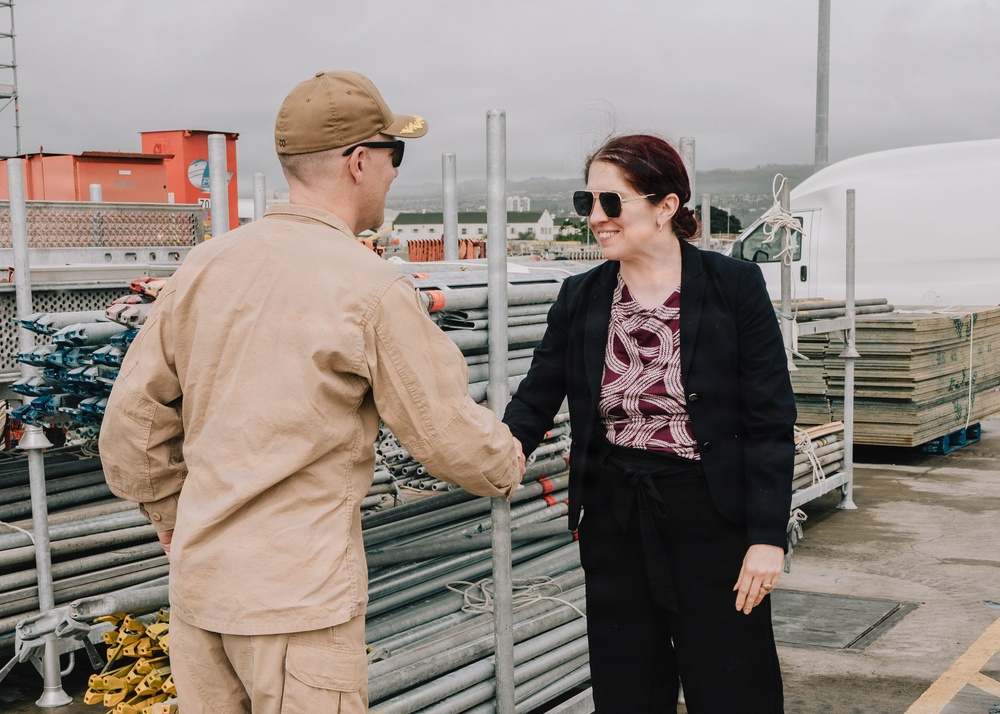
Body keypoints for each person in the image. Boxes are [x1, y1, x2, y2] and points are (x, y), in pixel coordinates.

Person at [100, 70, 525, 714]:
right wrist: (508, 462)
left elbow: (132, 421)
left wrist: (169, 515)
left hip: (200, 590)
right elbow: (444, 435)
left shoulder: (206, 266)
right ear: (358, 162)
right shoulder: (371, 287)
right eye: (393, 156)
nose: (393, 174)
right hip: (297, 606)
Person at [503, 134, 796, 713]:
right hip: (615, 516)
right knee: (627, 686)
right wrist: (503, 446)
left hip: (712, 518)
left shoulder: (733, 288)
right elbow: (536, 396)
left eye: (611, 203)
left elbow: (770, 421)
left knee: (733, 684)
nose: (595, 219)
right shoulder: (581, 295)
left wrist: (766, 537)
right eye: (585, 203)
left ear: (666, 206)